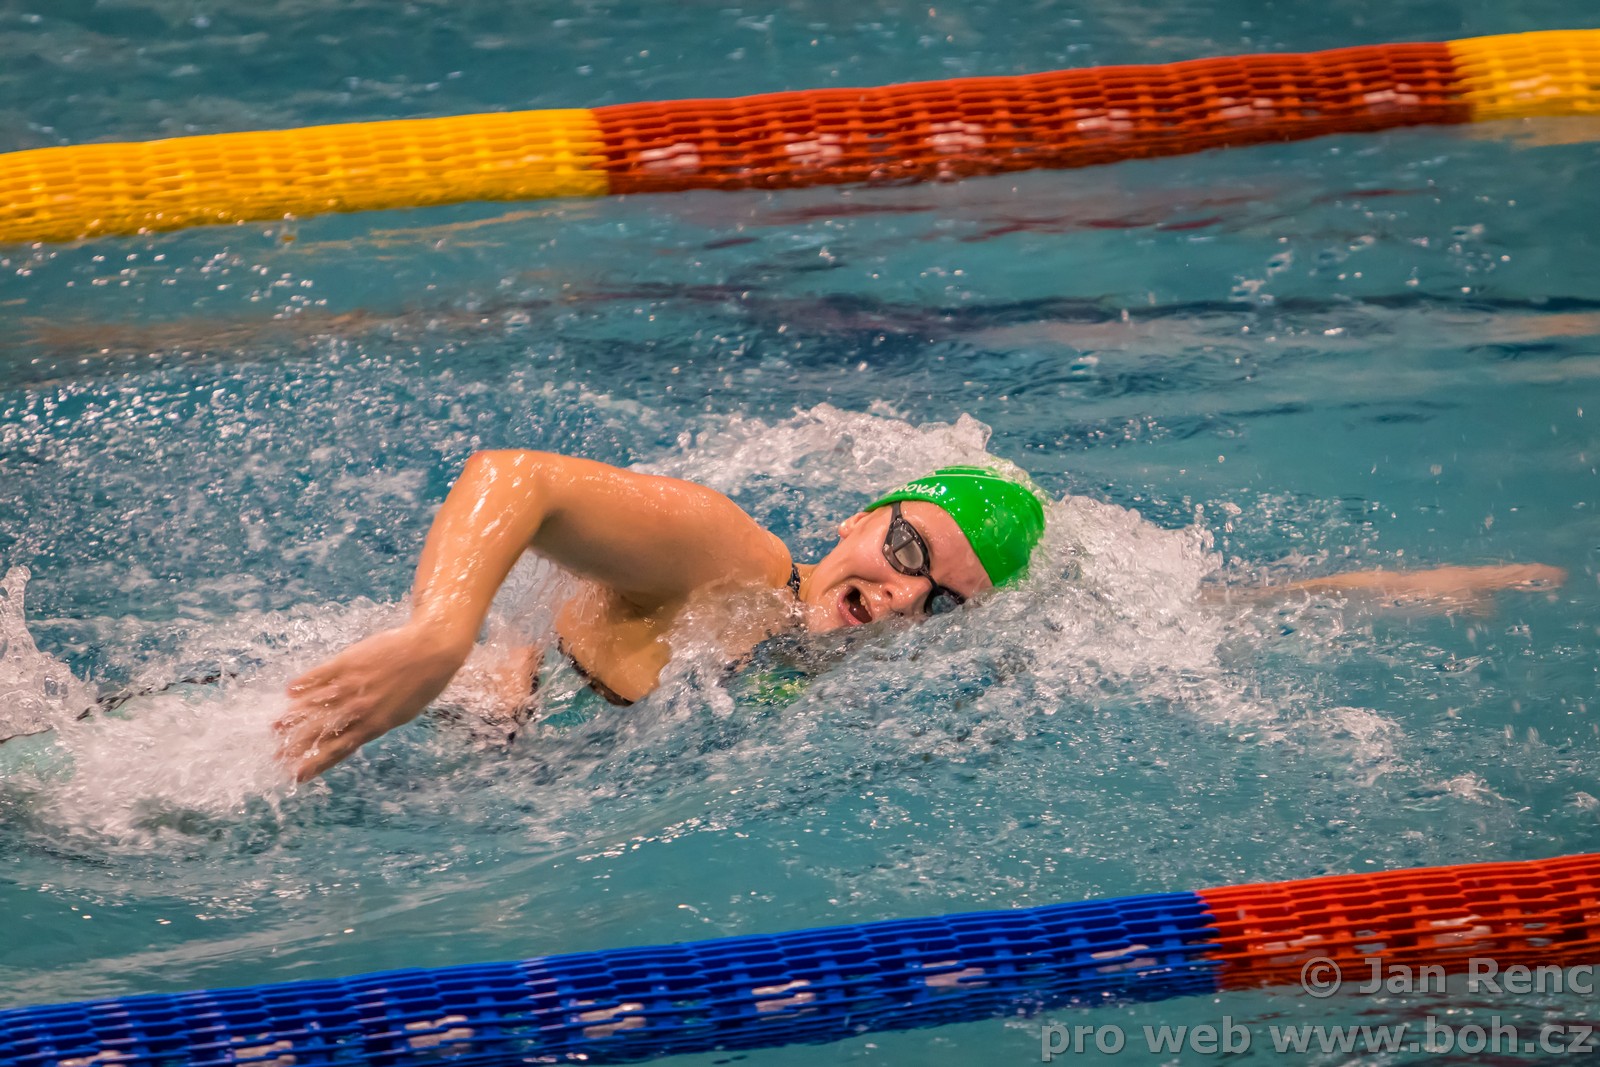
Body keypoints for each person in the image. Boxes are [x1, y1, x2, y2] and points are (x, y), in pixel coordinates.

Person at [274, 450, 1564, 782]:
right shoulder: (737, 567)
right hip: (379, 735)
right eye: (902, 547)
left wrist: (1389, 592)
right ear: (854, 521)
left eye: (937, 596)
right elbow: (518, 480)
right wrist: (445, 634)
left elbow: (1185, 613)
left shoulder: (819, 679)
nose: (901, 587)